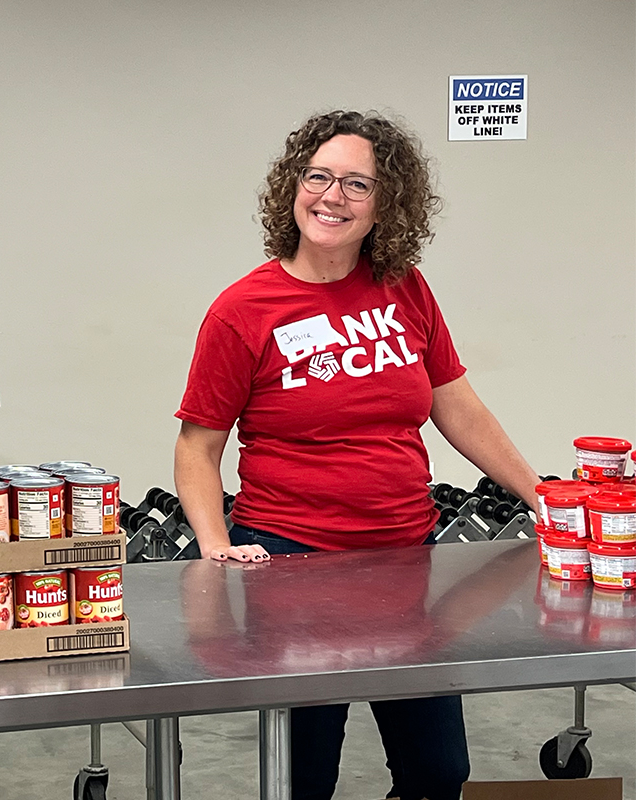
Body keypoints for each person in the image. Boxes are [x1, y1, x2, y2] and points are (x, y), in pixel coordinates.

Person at [173, 110, 540, 800]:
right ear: (292, 187)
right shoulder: (243, 311)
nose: (331, 196)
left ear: (386, 205)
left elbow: (456, 404)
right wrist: (216, 544)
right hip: (291, 561)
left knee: (438, 771)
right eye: (317, 176)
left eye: (356, 184)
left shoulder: (405, 287)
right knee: (305, 774)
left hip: (406, 557)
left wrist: (541, 496)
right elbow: (198, 446)